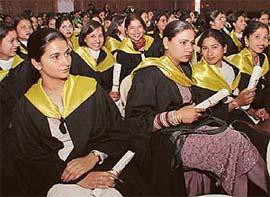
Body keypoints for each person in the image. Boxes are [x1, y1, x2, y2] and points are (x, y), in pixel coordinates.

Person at [125, 20, 269, 196]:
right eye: (183, 42)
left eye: (192, 43)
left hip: (189, 130)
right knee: (233, 142)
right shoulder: (149, 73)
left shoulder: (184, 70)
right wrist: (176, 116)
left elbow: (200, 107)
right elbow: (134, 123)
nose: (189, 49)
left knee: (237, 139)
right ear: (166, 42)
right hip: (164, 142)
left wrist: (233, 104)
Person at [8, 28, 148, 196]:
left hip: (102, 165)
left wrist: (94, 156)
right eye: (55, 56)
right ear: (37, 63)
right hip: (55, 177)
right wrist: (78, 179)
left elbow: (118, 132)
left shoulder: (90, 89)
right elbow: (30, 160)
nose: (66, 62)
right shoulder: (27, 107)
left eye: (67, 54)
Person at [192, 29, 270, 167]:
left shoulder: (232, 69)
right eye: (205, 48)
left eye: (214, 47)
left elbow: (237, 98)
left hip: (236, 116)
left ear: (225, 48)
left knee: (263, 139)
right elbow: (204, 113)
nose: (209, 53)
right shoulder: (198, 74)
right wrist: (236, 103)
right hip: (212, 123)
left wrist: (253, 111)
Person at [230, 20, 270, 122]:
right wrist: (253, 112)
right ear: (247, 40)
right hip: (240, 112)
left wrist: (266, 109)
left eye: (265, 38)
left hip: (262, 110)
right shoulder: (238, 62)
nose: (262, 42)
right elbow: (236, 97)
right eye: (257, 37)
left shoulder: (264, 58)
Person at [72, 21, 118, 99]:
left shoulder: (108, 56)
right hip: (83, 101)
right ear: (84, 38)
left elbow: (112, 83)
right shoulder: (76, 56)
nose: (97, 40)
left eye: (100, 36)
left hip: (105, 100)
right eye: (92, 36)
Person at [116, 13, 162, 82]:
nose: (136, 31)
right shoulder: (123, 51)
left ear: (144, 28)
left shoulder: (154, 43)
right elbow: (125, 79)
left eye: (139, 27)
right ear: (126, 31)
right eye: (132, 28)